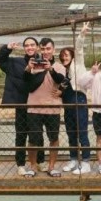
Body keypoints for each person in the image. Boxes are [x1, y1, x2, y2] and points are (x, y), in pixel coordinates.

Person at [0, 36, 44, 177]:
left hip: (37, 104)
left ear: (37, 47)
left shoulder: (43, 63)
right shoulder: (15, 63)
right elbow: (0, 61)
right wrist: (7, 48)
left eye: (32, 45)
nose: (30, 47)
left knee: (37, 134)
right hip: (21, 104)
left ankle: (40, 161)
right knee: (21, 135)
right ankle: (21, 164)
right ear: (24, 48)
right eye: (27, 45)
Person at [24, 37, 67, 177]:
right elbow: (25, 82)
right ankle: (32, 166)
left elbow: (62, 81)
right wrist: (28, 68)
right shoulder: (33, 64)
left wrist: (51, 69)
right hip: (34, 107)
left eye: (48, 48)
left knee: (53, 138)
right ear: (39, 49)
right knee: (33, 139)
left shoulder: (59, 66)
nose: (45, 51)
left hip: (52, 107)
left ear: (53, 49)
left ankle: (51, 166)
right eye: (42, 49)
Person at [57, 22, 92, 174]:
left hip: (79, 99)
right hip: (67, 103)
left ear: (72, 56)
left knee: (81, 131)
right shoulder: (61, 71)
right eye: (62, 56)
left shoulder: (78, 64)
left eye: (67, 55)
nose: (64, 57)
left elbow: (79, 49)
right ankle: (73, 159)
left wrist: (82, 34)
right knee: (71, 132)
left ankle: (86, 162)